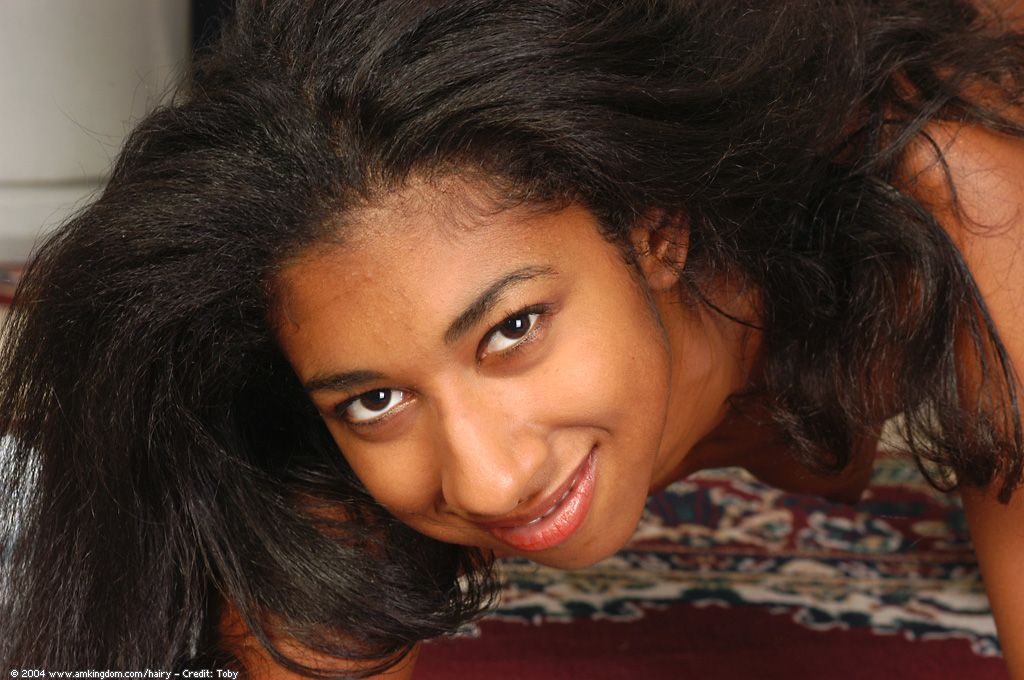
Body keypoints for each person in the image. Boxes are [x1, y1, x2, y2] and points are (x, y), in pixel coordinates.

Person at [3, 0, 1024, 677]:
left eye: (512, 329)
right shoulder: (322, 394)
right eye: (375, 398)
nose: (490, 482)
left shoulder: (957, 208)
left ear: (656, 231)